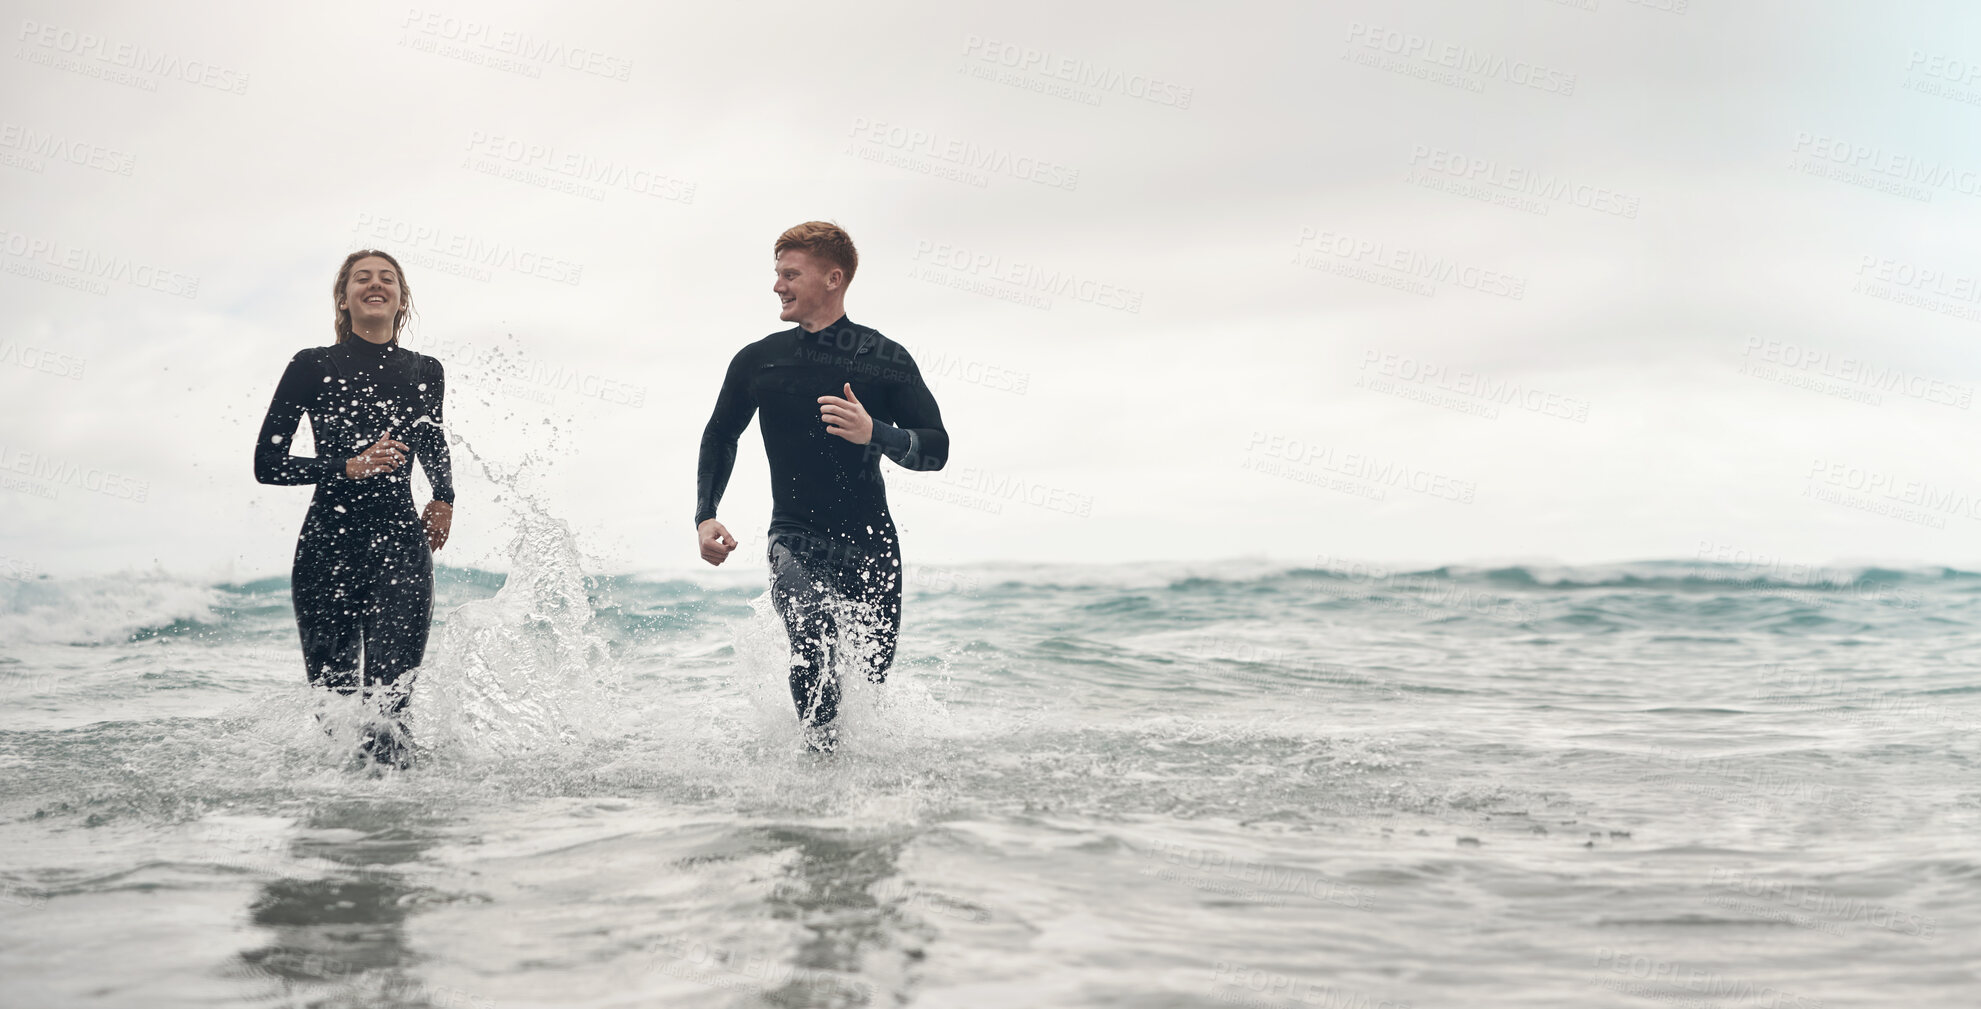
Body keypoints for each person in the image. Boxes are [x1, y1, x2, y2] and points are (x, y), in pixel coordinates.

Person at [696, 222, 949, 752]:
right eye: (777, 274)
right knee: (810, 637)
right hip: (796, 536)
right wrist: (706, 513)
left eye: (791, 274)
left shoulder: (883, 358)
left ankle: (852, 799)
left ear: (833, 279)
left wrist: (874, 433)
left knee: (867, 687)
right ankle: (816, 779)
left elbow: (936, 449)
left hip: (872, 547)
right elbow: (721, 433)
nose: (777, 286)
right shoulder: (759, 360)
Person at [253, 250, 455, 769]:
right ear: (344, 298)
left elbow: (432, 443)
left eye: (388, 278)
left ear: (401, 299)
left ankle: (401, 827)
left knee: (390, 706)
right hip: (328, 548)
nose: (375, 284)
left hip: (399, 549)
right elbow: (267, 462)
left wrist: (443, 497)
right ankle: (347, 829)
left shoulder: (425, 371)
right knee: (338, 713)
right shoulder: (312, 365)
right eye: (361, 278)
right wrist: (347, 466)